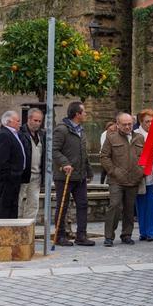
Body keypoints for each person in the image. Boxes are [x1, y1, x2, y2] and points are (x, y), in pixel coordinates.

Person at [53, 101, 94, 247]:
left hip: (80, 175)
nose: (86, 114)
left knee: (83, 205)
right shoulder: (61, 130)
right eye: (84, 112)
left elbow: (83, 153)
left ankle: (81, 236)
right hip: (64, 175)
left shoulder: (81, 130)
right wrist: (65, 163)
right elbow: (54, 150)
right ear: (77, 114)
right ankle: (60, 236)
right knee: (62, 206)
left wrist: (88, 170)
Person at [101, 112, 144, 246]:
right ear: (118, 124)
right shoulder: (111, 137)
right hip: (116, 180)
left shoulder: (139, 138)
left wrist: (141, 171)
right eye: (124, 124)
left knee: (129, 209)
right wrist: (113, 171)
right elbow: (104, 156)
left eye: (130, 124)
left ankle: (126, 234)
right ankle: (109, 236)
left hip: (134, 178)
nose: (127, 127)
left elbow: (144, 157)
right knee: (114, 206)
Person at [0, 110, 27, 219]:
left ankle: (12, 226)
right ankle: (3, 227)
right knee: (5, 206)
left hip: (15, 177)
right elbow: (2, 159)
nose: (19, 123)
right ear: (8, 122)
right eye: (17, 121)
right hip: (8, 178)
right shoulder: (4, 135)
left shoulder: (14, 134)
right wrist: (10, 174)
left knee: (13, 206)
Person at [135, 110, 153, 241]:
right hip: (139, 173)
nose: (150, 124)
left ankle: (151, 232)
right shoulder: (136, 135)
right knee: (141, 203)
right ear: (141, 122)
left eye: (152, 121)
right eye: (147, 121)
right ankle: (143, 231)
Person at [18, 109, 44, 226]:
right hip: (23, 174)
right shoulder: (20, 133)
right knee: (18, 201)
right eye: (35, 120)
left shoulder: (42, 135)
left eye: (39, 121)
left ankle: (29, 227)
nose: (37, 123)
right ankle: (16, 226)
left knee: (34, 202)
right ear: (29, 119)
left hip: (37, 174)